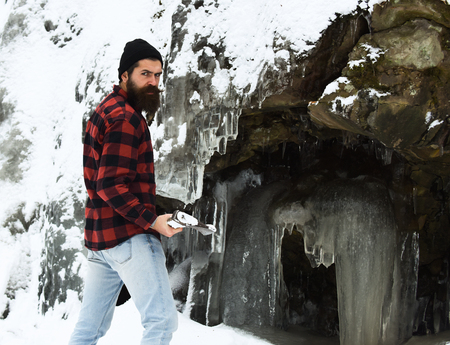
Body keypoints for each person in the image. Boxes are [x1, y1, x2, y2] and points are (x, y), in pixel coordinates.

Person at [68, 38, 183, 345]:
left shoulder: (106, 108)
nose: (153, 82)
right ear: (124, 75)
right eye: (145, 74)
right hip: (129, 238)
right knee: (161, 322)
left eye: (157, 75)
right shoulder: (126, 119)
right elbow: (110, 185)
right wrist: (152, 220)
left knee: (88, 330)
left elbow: (104, 182)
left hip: (100, 242)